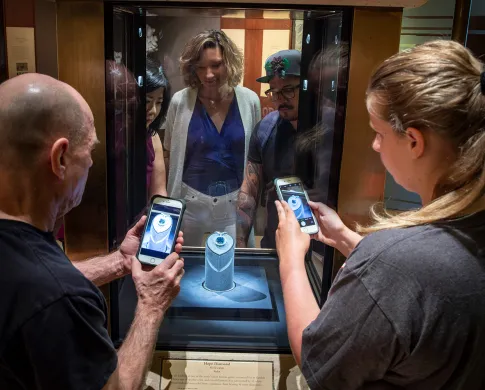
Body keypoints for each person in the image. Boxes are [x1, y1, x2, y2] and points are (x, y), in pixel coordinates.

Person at [275, 40, 485, 389]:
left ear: (414, 141)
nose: (374, 145)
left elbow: (316, 359)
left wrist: (290, 261)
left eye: (379, 133)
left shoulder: (392, 265)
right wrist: (346, 239)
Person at [0, 73, 185, 389]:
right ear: (60, 158)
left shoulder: (31, 273)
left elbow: (29, 291)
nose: (90, 164)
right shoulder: (60, 299)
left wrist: (119, 263)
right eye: (89, 151)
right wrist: (151, 306)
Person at [162, 29, 261, 246]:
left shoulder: (250, 101)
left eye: (216, 65)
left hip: (234, 202)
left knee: (237, 267)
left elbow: (255, 158)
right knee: (184, 266)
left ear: (230, 62)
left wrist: (248, 202)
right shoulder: (180, 101)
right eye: (200, 67)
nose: (208, 74)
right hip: (189, 202)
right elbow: (168, 153)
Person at [236, 50, 302, 249]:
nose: (280, 99)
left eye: (288, 89)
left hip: (320, 250)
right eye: (274, 91)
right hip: (275, 245)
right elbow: (249, 191)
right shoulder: (265, 129)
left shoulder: (331, 127)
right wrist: (240, 244)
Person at [146, 57, 171, 199]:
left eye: (159, 102)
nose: (154, 110)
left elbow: (159, 192)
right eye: (147, 101)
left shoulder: (153, 137)